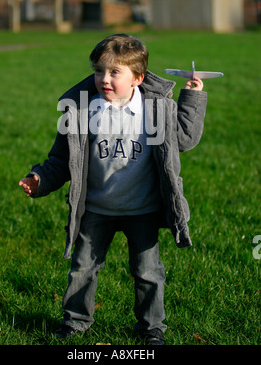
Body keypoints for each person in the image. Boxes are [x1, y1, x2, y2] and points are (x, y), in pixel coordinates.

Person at [19, 34, 207, 345]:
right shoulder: (81, 112)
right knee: (82, 270)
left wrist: (192, 98)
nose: (104, 79)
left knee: (148, 272)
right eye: (98, 71)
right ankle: (75, 323)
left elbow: (185, 139)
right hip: (96, 209)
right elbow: (61, 160)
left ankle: (151, 329)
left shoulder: (155, 111)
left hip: (142, 210)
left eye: (114, 72)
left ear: (138, 78)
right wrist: (39, 179)